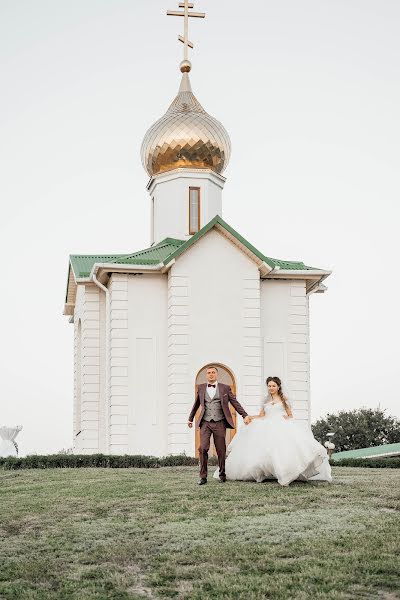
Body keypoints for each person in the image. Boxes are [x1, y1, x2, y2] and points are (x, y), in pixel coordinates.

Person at [213, 376, 332, 486]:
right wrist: (250, 417)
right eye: (269, 386)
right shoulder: (265, 400)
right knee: (264, 450)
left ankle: (285, 471)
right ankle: (264, 473)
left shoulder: (284, 399)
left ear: (278, 387)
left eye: (273, 386)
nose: (271, 388)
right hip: (267, 424)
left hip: (281, 425)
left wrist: (286, 419)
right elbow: (261, 415)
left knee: (281, 450)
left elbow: (290, 415)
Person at [188, 366, 251, 485]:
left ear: (216, 374)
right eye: (209, 373)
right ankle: (203, 477)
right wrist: (190, 418)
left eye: (213, 373)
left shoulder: (225, 388)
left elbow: (234, 402)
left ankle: (222, 474)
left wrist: (244, 415)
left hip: (220, 422)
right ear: (206, 375)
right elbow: (196, 404)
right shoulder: (201, 388)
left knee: (221, 450)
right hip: (205, 422)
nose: (211, 374)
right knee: (203, 448)